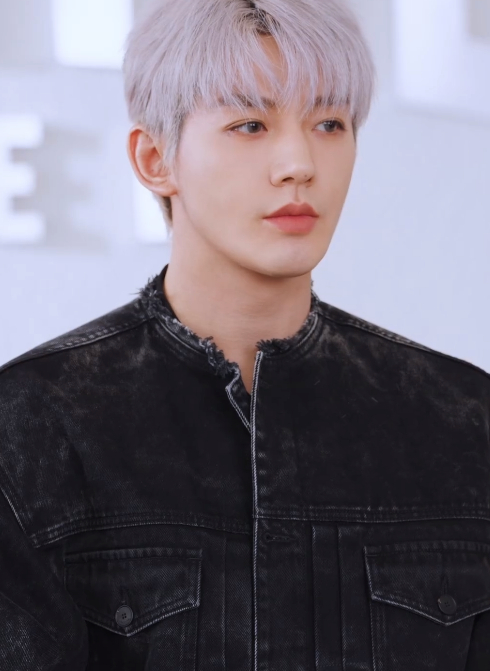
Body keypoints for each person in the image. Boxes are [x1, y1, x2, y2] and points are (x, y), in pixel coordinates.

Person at [1, 0, 490, 669]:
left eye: (329, 123)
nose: (299, 163)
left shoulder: (462, 419)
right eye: (250, 124)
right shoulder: (35, 424)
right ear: (155, 158)